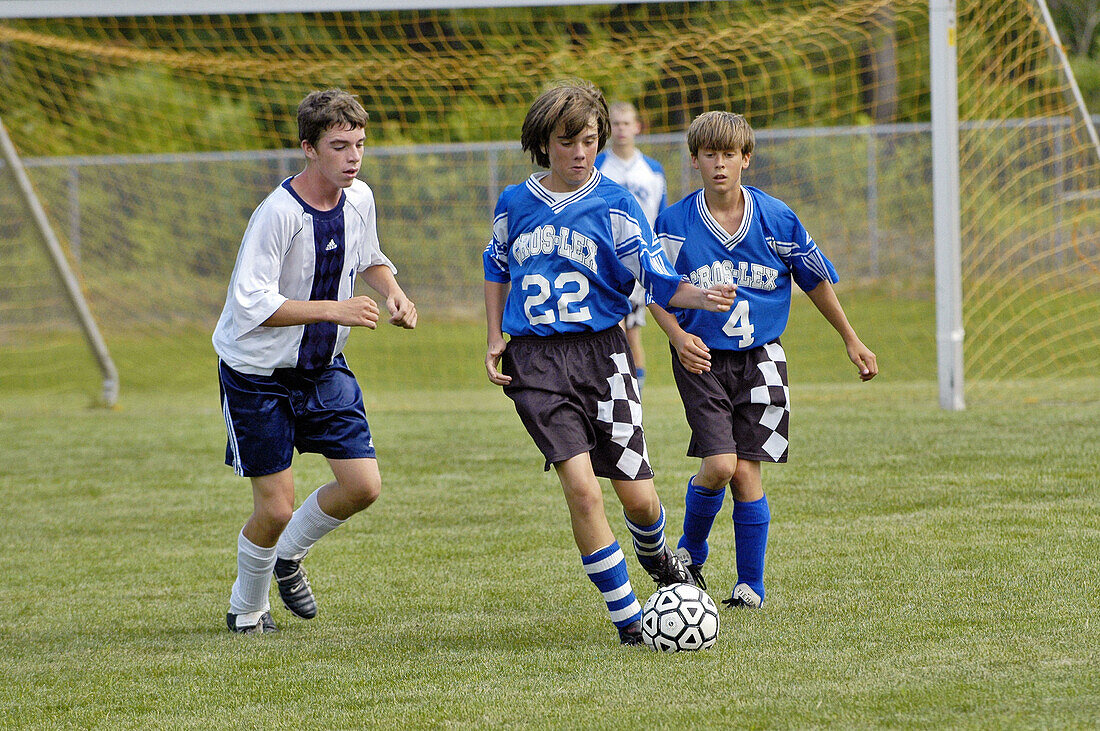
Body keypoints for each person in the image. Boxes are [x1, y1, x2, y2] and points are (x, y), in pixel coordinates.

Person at [482, 80, 737, 646]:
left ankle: (657, 556)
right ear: (543, 143)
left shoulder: (617, 204)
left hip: (604, 357)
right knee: (584, 490)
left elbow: (654, 277)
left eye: (590, 141)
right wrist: (496, 335)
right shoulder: (514, 202)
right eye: (568, 141)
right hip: (537, 364)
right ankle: (629, 622)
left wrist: (696, 295)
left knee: (640, 499)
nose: (580, 153)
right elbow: (497, 267)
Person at [648, 111, 878, 609]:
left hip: (763, 359)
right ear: (695, 160)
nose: (719, 164)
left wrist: (850, 338)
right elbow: (655, 289)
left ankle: (749, 585)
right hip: (701, 359)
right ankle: (691, 548)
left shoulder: (776, 218)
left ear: (746, 159)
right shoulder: (674, 223)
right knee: (719, 465)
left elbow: (814, 280)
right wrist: (675, 336)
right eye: (709, 154)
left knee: (747, 472)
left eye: (729, 154)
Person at [213, 88, 417, 634]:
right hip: (258, 375)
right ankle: (246, 609)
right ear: (309, 148)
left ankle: (287, 557)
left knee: (363, 486)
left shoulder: (360, 198)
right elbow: (251, 306)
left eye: (360, 145)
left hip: (324, 369)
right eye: (339, 146)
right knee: (275, 508)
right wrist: (337, 309)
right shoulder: (277, 214)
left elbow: (369, 255)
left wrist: (394, 292)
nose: (353, 157)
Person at [594, 101, 668, 392]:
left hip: (639, 260)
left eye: (627, 123)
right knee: (613, 327)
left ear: (637, 127)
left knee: (632, 329)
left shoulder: (653, 170)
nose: (622, 129)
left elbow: (659, 218)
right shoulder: (597, 166)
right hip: (605, 261)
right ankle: (614, 383)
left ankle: (635, 386)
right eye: (616, 124)